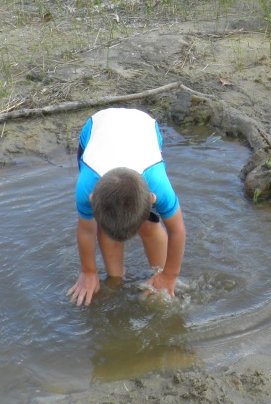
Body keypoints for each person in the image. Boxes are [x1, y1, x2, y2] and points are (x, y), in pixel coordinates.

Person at [66, 108, 186, 306]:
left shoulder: (158, 184)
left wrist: (170, 274)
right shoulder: (86, 185)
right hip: (96, 127)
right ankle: (115, 280)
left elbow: (177, 229)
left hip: (144, 127)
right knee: (107, 223)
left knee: (148, 224)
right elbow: (87, 230)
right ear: (92, 197)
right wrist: (89, 271)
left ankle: (159, 276)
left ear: (152, 198)